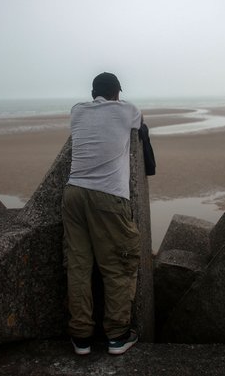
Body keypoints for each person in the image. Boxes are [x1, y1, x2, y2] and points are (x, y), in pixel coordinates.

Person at [62, 72, 142, 355]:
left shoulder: (77, 111)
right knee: (118, 265)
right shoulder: (127, 110)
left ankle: (81, 336)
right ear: (117, 93)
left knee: (79, 266)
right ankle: (118, 335)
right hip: (107, 195)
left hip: (73, 193)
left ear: (93, 92)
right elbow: (139, 125)